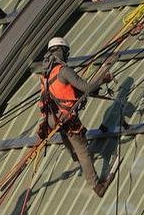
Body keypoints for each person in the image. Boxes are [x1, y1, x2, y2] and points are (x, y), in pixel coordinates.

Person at [36, 37, 114, 197]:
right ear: (62, 51)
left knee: (69, 139)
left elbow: (59, 93)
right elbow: (88, 87)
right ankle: (97, 186)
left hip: (52, 119)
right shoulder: (63, 70)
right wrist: (102, 79)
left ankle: (74, 156)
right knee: (83, 151)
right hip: (66, 117)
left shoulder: (45, 74)